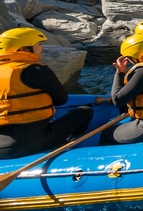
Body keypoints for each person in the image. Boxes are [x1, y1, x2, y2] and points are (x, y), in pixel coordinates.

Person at [0, 28, 93, 159]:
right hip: (27, 143)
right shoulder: (35, 70)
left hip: (1, 145)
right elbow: (61, 99)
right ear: (23, 49)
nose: (42, 48)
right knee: (85, 112)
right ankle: (68, 147)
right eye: (38, 44)